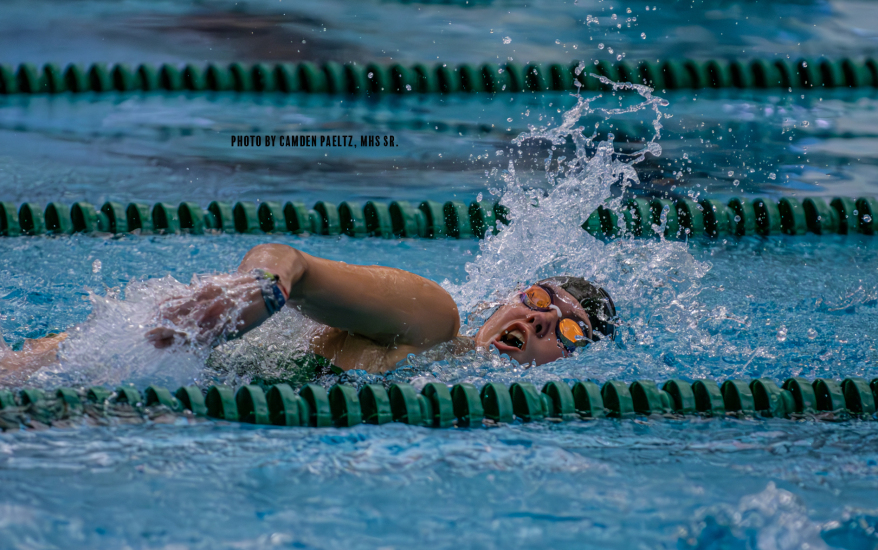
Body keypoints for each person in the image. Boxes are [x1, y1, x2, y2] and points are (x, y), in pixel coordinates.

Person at [0, 243, 617, 382]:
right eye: (539, 301)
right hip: (123, 363)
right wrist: (254, 290)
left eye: (567, 330)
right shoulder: (433, 319)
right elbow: (290, 264)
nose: (540, 320)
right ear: (507, 299)